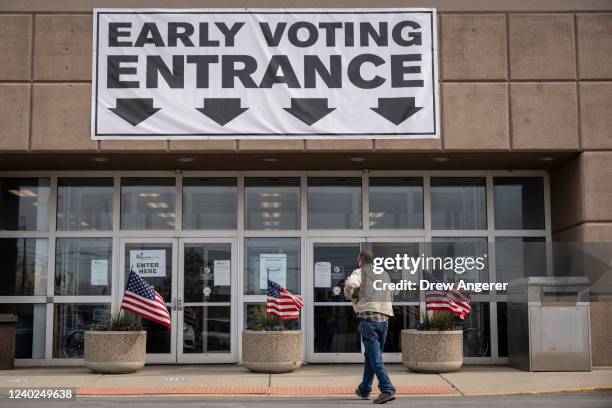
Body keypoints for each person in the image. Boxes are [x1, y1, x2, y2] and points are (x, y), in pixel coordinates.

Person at [344, 250, 396, 404]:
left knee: (375, 357)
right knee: (371, 356)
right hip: (384, 318)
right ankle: (364, 389)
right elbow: (392, 292)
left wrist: (350, 295)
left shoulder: (360, 272)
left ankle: (387, 389)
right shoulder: (384, 274)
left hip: (369, 319)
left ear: (361, 260)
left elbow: (350, 284)